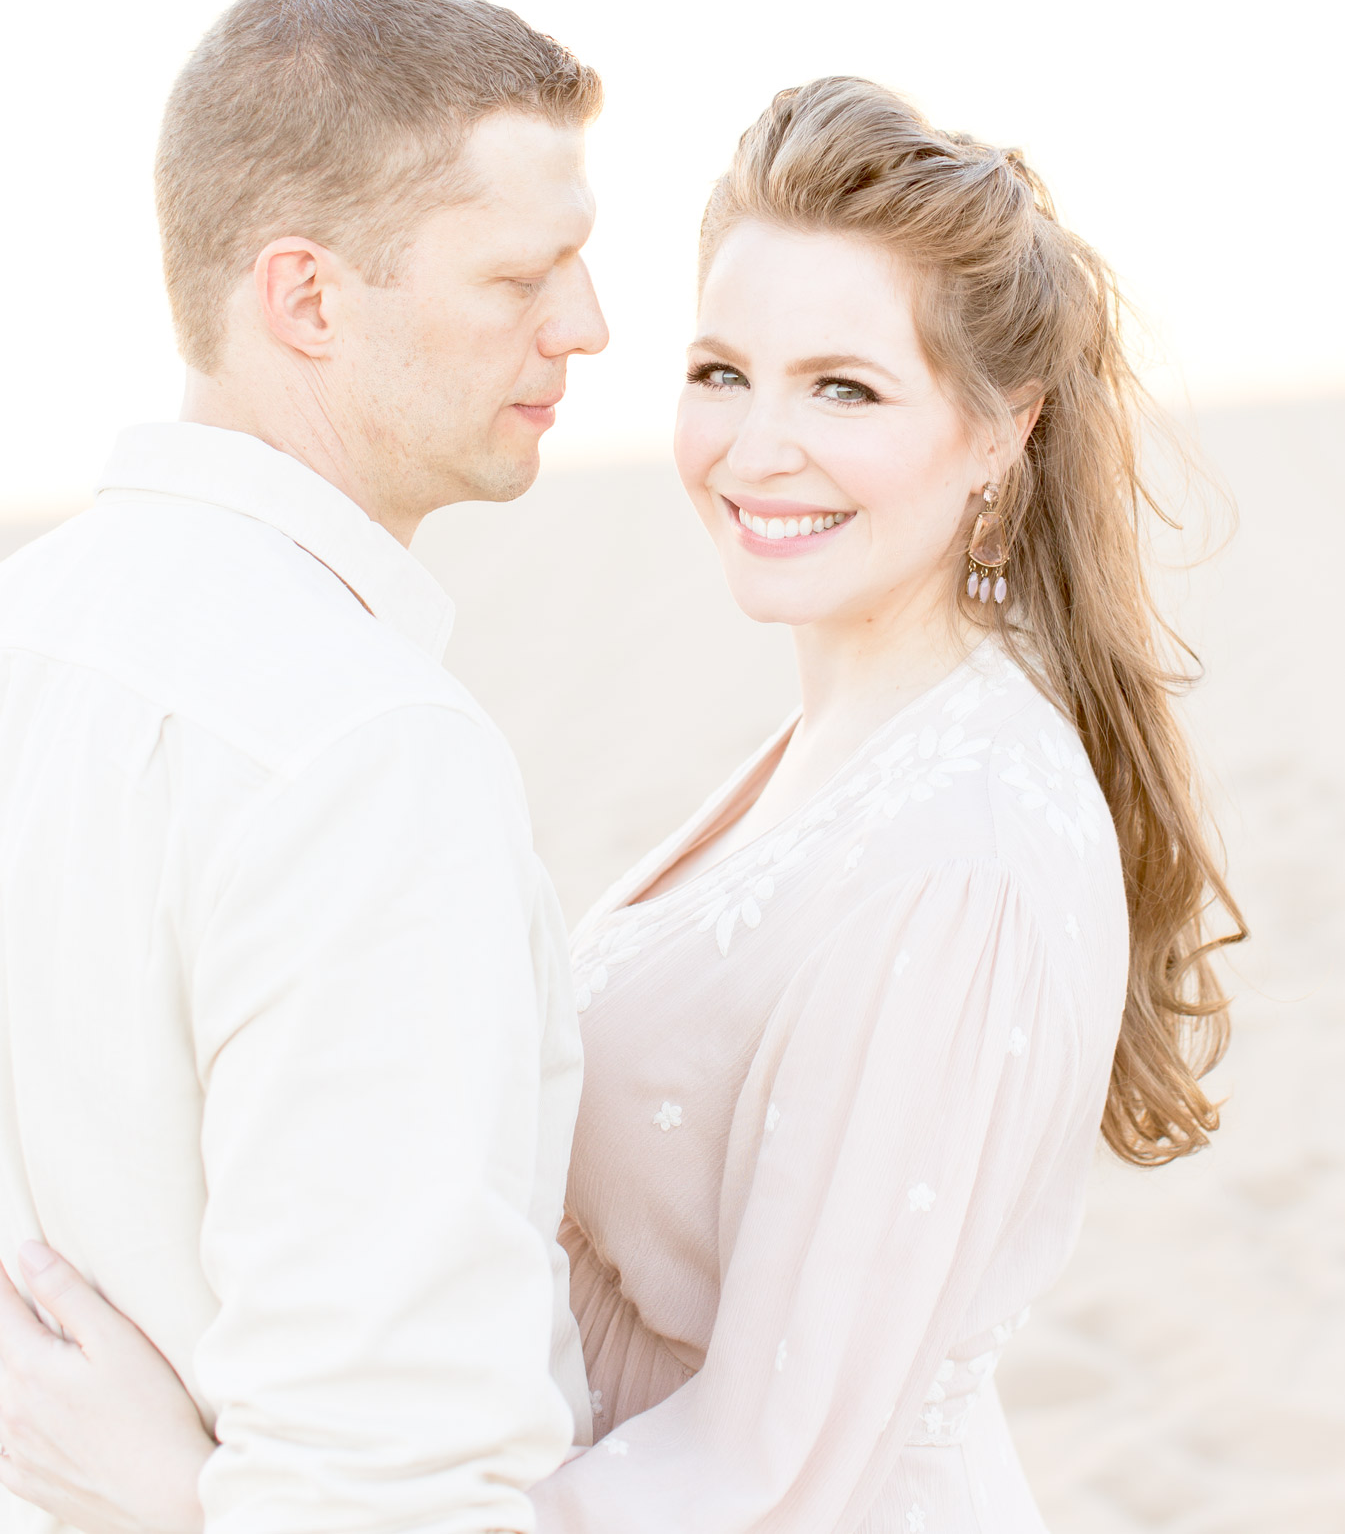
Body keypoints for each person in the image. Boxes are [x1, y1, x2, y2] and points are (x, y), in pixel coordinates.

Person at [0, 78, 1241, 1533]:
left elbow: (769, 1476)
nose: (756, 444)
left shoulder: (962, 846)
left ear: (996, 433)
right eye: (722, 372)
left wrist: (189, 1503)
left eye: (842, 387)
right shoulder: (847, 737)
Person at [0, 0, 609, 1534]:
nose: (588, 327)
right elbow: (390, 1469)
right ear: (308, 299)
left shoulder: (26, 628)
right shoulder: (366, 756)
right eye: (518, 280)